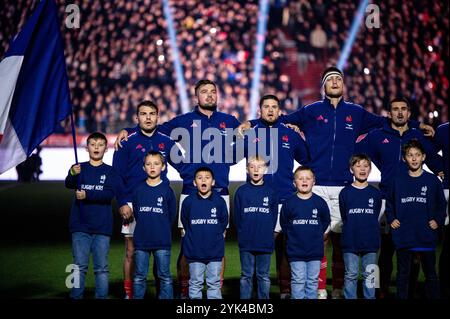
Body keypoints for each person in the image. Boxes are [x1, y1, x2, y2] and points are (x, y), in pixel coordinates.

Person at [240, 66, 434, 299]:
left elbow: (389, 121)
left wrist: (416, 125)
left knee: (343, 240)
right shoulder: (310, 110)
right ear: (324, 85)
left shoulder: (356, 112)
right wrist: (250, 123)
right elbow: (277, 117)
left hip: (344, 185)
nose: (334, 82)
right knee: (316, 238)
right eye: (330, 79)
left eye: (338, 79)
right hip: (318, 184)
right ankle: (319, 287)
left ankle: (341, 288)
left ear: (343, 84)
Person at [115, 80, 240, 298]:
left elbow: (251, 134)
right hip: (190, 191)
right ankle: (184, 291)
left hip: (219, 191)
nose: (209, 96)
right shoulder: (183, 121)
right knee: (187, 242)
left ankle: (214, 291)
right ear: (196, 97)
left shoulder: (229, 121)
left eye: (213, 92)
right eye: (204, 92)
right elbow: (151, 129)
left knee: (218, 243)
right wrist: (128, 130)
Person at [355, 97, 444, 298]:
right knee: (383, 251)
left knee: (412, 255)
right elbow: (358, 154)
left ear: (409, 114)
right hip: (387, 198)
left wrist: (441, 171)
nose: (400, 112)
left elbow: (433, 157)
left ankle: (408, 292)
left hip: (411, 204)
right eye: (395, 109)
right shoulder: (377, 135)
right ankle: (378, 291)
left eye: (404, 109)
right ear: (389, 113)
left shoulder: (416, 136)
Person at [112, 100, 184, 299]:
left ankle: (161, 291)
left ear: (157, 117)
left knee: (158, 249)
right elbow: (117, 175)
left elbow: (183, 165)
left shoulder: (166, 140)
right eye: (144, 114)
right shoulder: (127, 140)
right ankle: (129, 293)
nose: (148, 117)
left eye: (152, 113)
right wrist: (123, 202)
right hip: (133, 203)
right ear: (137, 117)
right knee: (131, 250)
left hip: (158, 200)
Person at [241, 94, 309, 298]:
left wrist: (298, 131)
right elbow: (231, 154)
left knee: (286, 246)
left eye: (274, 107)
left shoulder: (290, 134)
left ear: (279, 111)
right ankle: (252, 290)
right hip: (255, 200)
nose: (270, 110)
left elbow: (305, 158)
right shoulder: (251, 133)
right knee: (254, 244)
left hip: (284, 198)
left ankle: (285, 289)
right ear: (259, 110)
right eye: (266, 107)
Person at [65, 132, 127, 299]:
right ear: (87, 148)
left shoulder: (110, 172)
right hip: (80, 226)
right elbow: (68, 184)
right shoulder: (79, 168)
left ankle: (101, 296)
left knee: (101, 268)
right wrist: (72, 172)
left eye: (100, 145)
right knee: (78, 266)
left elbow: (109, 194)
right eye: (93, 144)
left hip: (101, 227)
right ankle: (75, 295)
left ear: (105, 149)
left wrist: (88, 195)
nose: (96, 147)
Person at [386, 139, 447, 299]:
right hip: (404, 234)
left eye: (417, 155)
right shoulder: (397, 180)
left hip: (425, 234)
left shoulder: (432, 180)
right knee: (403, 274)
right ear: (404, 158)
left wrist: (438, 220)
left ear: (423, 157)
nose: (414, 158)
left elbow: (441, 204)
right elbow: (390, 202)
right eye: (410, 155)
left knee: (431, 274)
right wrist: (392, 218)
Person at [280, 166, 331, 299]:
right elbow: (284, 224)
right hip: (296, 251)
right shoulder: (289, 203)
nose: (304, 181)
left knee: (312, 282)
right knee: (298, 281)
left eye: (308, 178)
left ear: (314, 181)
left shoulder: (320, 202)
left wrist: (316, 233)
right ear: (294, 182)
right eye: (300, 178)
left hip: (315, 251)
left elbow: (325, 221)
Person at [132, 151, 177, 299]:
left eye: (156, 164)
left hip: (162, 241)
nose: (152, 167)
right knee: (139, 277)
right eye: (148, 164)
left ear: (163, 167)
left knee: (164, 276)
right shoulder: (138, 189)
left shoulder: (167, 190)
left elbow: (171, 215)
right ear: (143, 167)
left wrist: (161, 228)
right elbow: (137, 212)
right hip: (141, 241)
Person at [233, 156, 279, 299]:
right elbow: (237, 217)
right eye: (252, 166)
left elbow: (273, 216)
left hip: (265, 242)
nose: (256, 169)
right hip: (246, 242)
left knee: (263, 276)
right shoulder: (241, 191)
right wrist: (243, 234)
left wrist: (268, 234)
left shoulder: (271, 192)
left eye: (259, 166)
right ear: (247, 170)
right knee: (246, 275)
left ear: (265, 169)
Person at [180, 167, 228, 299]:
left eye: (207, 178)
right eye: (199, 178)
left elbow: (223, 222)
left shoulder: (219, 201)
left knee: (214, 284)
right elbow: (185, 222)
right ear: (194, 182)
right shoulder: (188, 202)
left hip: (215, 253)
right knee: (195, 284)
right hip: (195, 253)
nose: (203, 180)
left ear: (213, 182)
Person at [339, 154, 382, 299]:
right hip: (350, 240)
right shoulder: (345, 192)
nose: (362, 169)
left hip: (371, 241)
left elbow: (374, 215)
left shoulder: (375, 193)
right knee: (350, 274)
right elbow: (345, 216)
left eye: (366, 166)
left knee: (370, 275)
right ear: (352, 170)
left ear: (370, 170)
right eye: (358, 166)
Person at [433, 122, 449, 298]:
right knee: (447, 242)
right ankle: (444, 287)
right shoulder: (444, 130)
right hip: (448, 189)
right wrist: (439, 167)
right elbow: (429, 151)